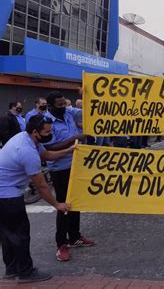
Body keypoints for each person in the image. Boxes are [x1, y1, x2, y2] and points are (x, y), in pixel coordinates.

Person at [0, 115, 74, 283]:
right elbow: (41, 186)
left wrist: (69, 151)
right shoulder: (26, 151)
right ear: (35, 132)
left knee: (9, 233)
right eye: (47, 132)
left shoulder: (27, 139)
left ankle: (12, 269)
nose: (51, 134)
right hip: (7, 195)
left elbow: (47, 155)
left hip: (6, 192)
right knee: (20, 234)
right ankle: (25, 272)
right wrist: (57, 204)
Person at [43, 91, 94, 262]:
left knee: (76, 202)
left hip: (76, 165)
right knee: (64, 204)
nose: (64, 107)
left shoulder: (68, 112)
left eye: (64, 104)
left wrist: (87, 93)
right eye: (60, 105)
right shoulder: (46, 122)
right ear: (50, 106)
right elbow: (50, 148)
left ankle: (74, 236)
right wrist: (75, 139)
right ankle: (61, 244)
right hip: (60, 169)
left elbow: (89, 110)